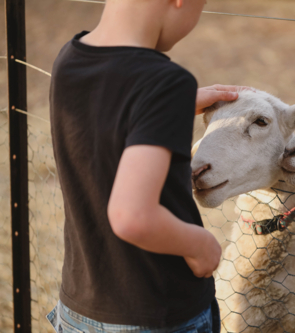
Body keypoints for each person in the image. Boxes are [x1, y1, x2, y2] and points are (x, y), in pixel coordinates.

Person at [46, 0, 245, 331]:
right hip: (157, 313)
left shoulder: (70, 56)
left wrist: (169, 107)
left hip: (80, 306)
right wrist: (202, 244)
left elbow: (108, 114)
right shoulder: (165, 83)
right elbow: (132, 217)